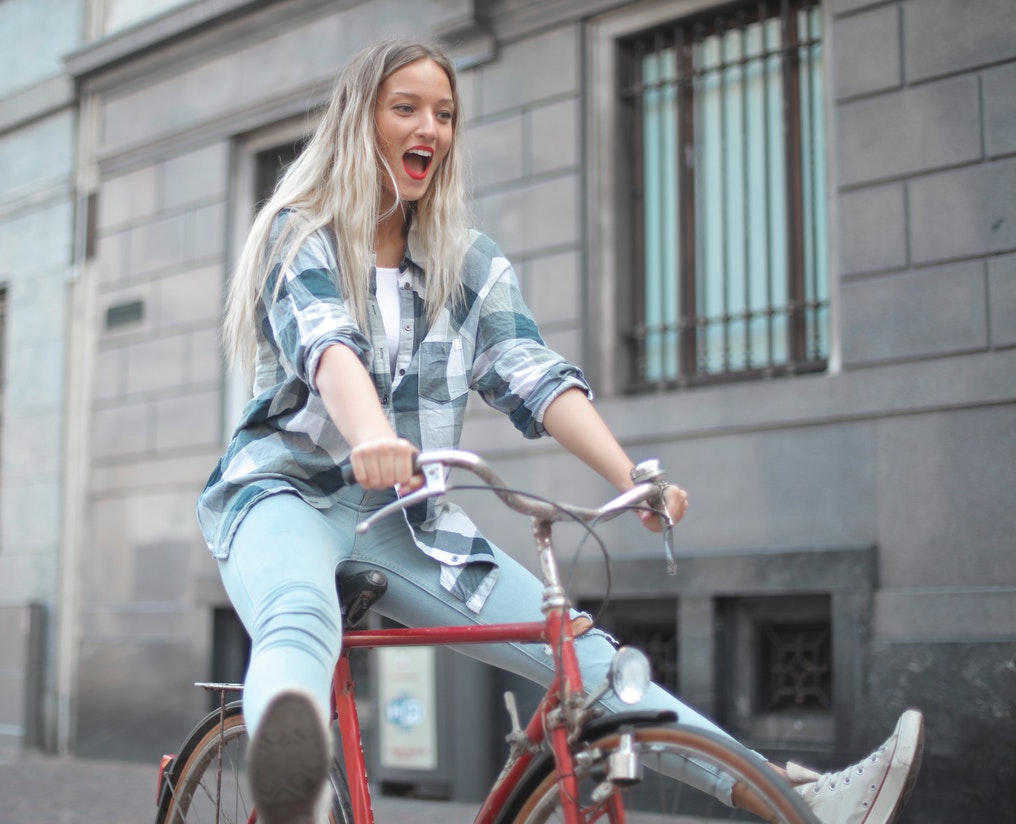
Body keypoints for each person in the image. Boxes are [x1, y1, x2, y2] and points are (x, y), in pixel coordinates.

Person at [197, 38, 923, 824]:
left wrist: (628, 477)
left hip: (410, 524)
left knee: (592, 663)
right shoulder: (300, 234)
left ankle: (802, 802)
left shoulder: (466, 263)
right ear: (358, 122)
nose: (429, 129)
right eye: (405, 108)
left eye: (444, 114)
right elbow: (327, 345)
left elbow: (533, 372)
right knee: (298, 617)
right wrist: (371, 434)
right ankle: (289, 792)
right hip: (284, 494)